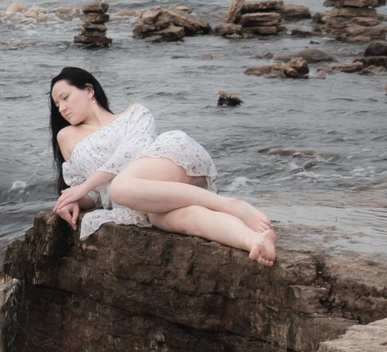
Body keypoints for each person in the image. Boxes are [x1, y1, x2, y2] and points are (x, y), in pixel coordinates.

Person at [48, 66, 277, 265]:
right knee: (183, 221)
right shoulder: (66, 136)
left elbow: (129, 154)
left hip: (172, 162)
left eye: (65, 97)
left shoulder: (134, 113)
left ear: (89, 90)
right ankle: (254, 241)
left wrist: (85, 186)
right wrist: (73, 199)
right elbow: (95, 195)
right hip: (140, 201)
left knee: (120, 187)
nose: (62, 108)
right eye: (57, 104)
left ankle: (231, 205)